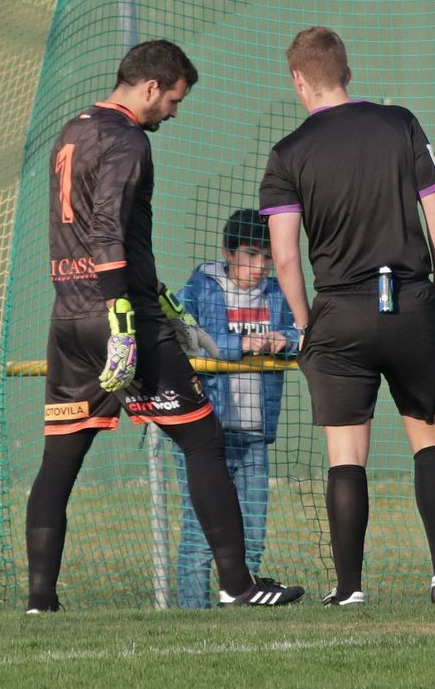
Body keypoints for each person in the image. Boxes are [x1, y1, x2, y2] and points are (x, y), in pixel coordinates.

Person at [28, 39, 305, 612]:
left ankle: (40, 601)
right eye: (174, 101)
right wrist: (126, 320)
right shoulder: (126, 138)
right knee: (204, 439)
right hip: (116, 320)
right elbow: (107, 232)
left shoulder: (72, 131)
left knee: (60, 458)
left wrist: (168, 306)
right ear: (151, 88)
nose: (174, 114)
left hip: (69, 319)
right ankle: (237, 584)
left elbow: (89, 238)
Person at [259, 26, 435, 606]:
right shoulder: (400, 123)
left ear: (298, 80)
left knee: (345, 455)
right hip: (410, 303)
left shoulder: (288, 153)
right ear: (347, 71)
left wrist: (305, 323)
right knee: (430, 442)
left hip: (339, 313)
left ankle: (350, 589)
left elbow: (284, 256)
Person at [172, 208, 300, 608]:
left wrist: (286, 340)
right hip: (204, 436)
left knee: (253, 533)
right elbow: (182, 336)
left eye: (266, 255)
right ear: (227, 253)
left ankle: (242, 606)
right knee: (199, 534)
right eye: (250, 254)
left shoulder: (279, 293)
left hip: (254, 434)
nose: (260, 265)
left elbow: (306, 329)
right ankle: (194, 618)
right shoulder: (199, 288)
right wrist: (239, 345)